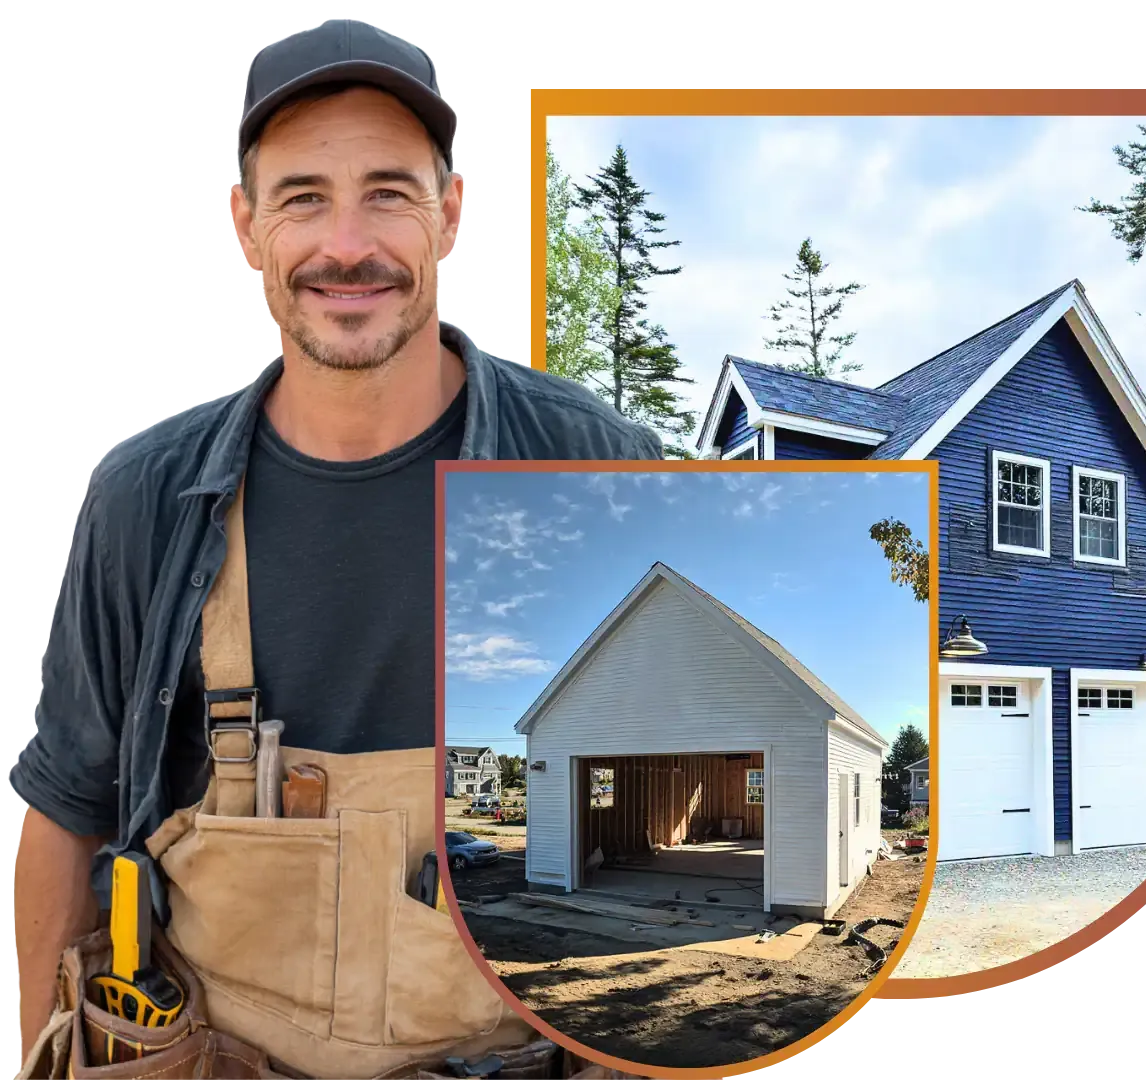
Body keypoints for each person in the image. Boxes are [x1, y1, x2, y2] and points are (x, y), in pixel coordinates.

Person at [12, 18, 660, 1079]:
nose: (346, 244)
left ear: (449, 216)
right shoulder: (147, 496)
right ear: (244, 225)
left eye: (390, 193)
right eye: (303, 196)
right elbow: (67, 808)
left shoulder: (601, 471)